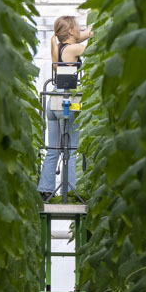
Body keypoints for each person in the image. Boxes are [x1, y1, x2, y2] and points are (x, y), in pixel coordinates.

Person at [38, 15, 92, 201]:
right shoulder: (75, 48)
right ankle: (68, 191)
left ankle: (45, 190)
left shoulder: (60, 47)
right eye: (77, 26)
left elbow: (85, 35)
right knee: (72, 149)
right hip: (67, 101)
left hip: (53, 101)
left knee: (53, 148)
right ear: (70, 31)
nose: (80, 29)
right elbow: (92, 49)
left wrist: (92, 30)